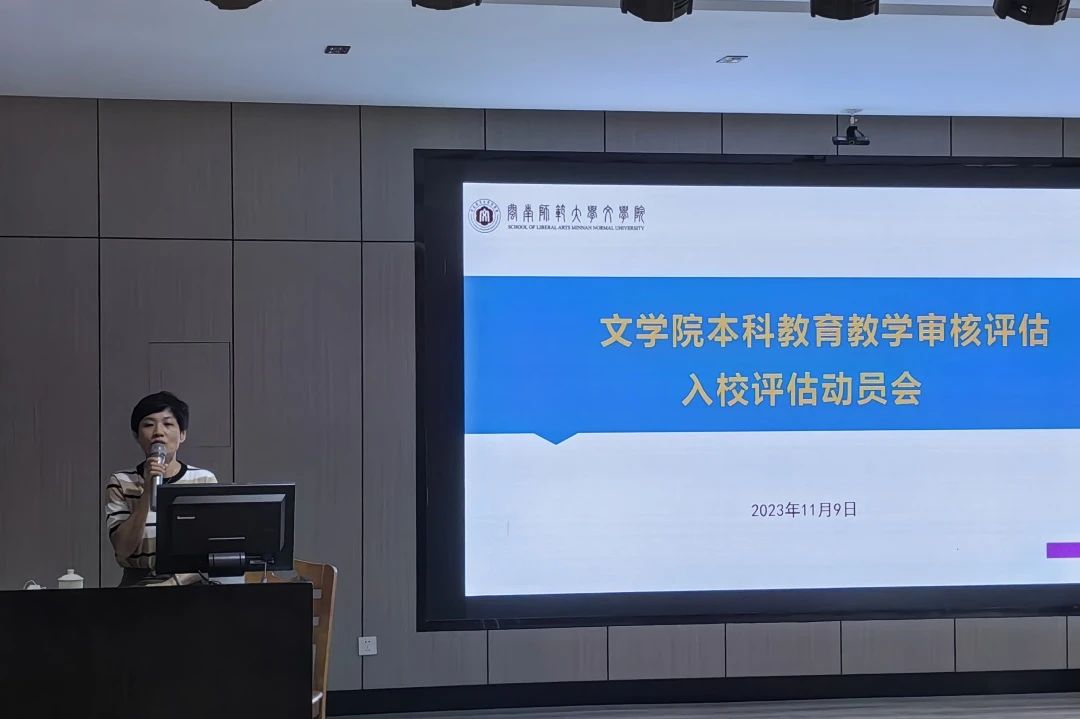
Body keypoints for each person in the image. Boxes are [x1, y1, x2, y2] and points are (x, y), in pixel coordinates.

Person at [105, 391, 217, 587]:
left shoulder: (203, 479)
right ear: (136, 435)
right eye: (148, 424)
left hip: (191, 584)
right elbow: (122, 549)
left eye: (168, 424)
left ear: (182, 434)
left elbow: (211, 549)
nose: (158, 432)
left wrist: (171, 584)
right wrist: (148, 489)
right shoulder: (121, 481)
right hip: (139, 585)